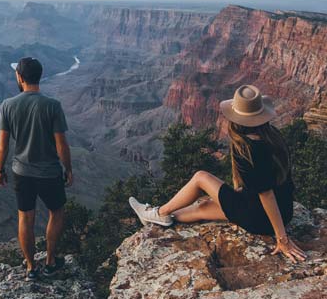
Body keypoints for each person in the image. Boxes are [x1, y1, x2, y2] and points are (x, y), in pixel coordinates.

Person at [130, 86, 305, 263]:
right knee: (203, 207)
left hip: (260, 218)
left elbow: (266, 194)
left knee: (201, 177)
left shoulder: (248, 148)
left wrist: (282, 239)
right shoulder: (273, 135)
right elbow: (272, 183)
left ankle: (159, 212)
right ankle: (160, 219)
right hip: (285, 211)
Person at [0, 55, 74, 279]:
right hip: (49, 172)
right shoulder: (52, 106)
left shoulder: (8, 105)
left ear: (20, 77)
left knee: (25, 218)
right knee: (56, 212)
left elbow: (3, 145)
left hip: (22, 172)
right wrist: (68, 169)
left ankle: (31, 267)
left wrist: (0, 170)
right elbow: (62, 144)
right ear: (39, 77)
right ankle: (50, 261)